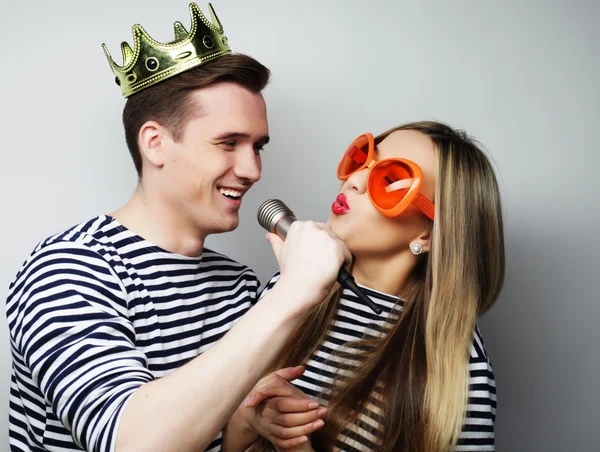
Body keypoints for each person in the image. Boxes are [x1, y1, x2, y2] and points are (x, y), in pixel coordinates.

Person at [5, 4, 349, 451]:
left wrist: (249, 425)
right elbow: (132, 444)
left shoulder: (239, 286)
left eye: (257, 147)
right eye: (228, 143)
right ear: (155, 143)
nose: (252, 170)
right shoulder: (68, 269)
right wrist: (292, 293)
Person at [237, 121, 504, 451]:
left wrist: (296, 444)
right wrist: (247, 420)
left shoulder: (458, 369)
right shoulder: (289, 286)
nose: (354, 181)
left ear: (429, 234)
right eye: (361, 160)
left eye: (390, 180)